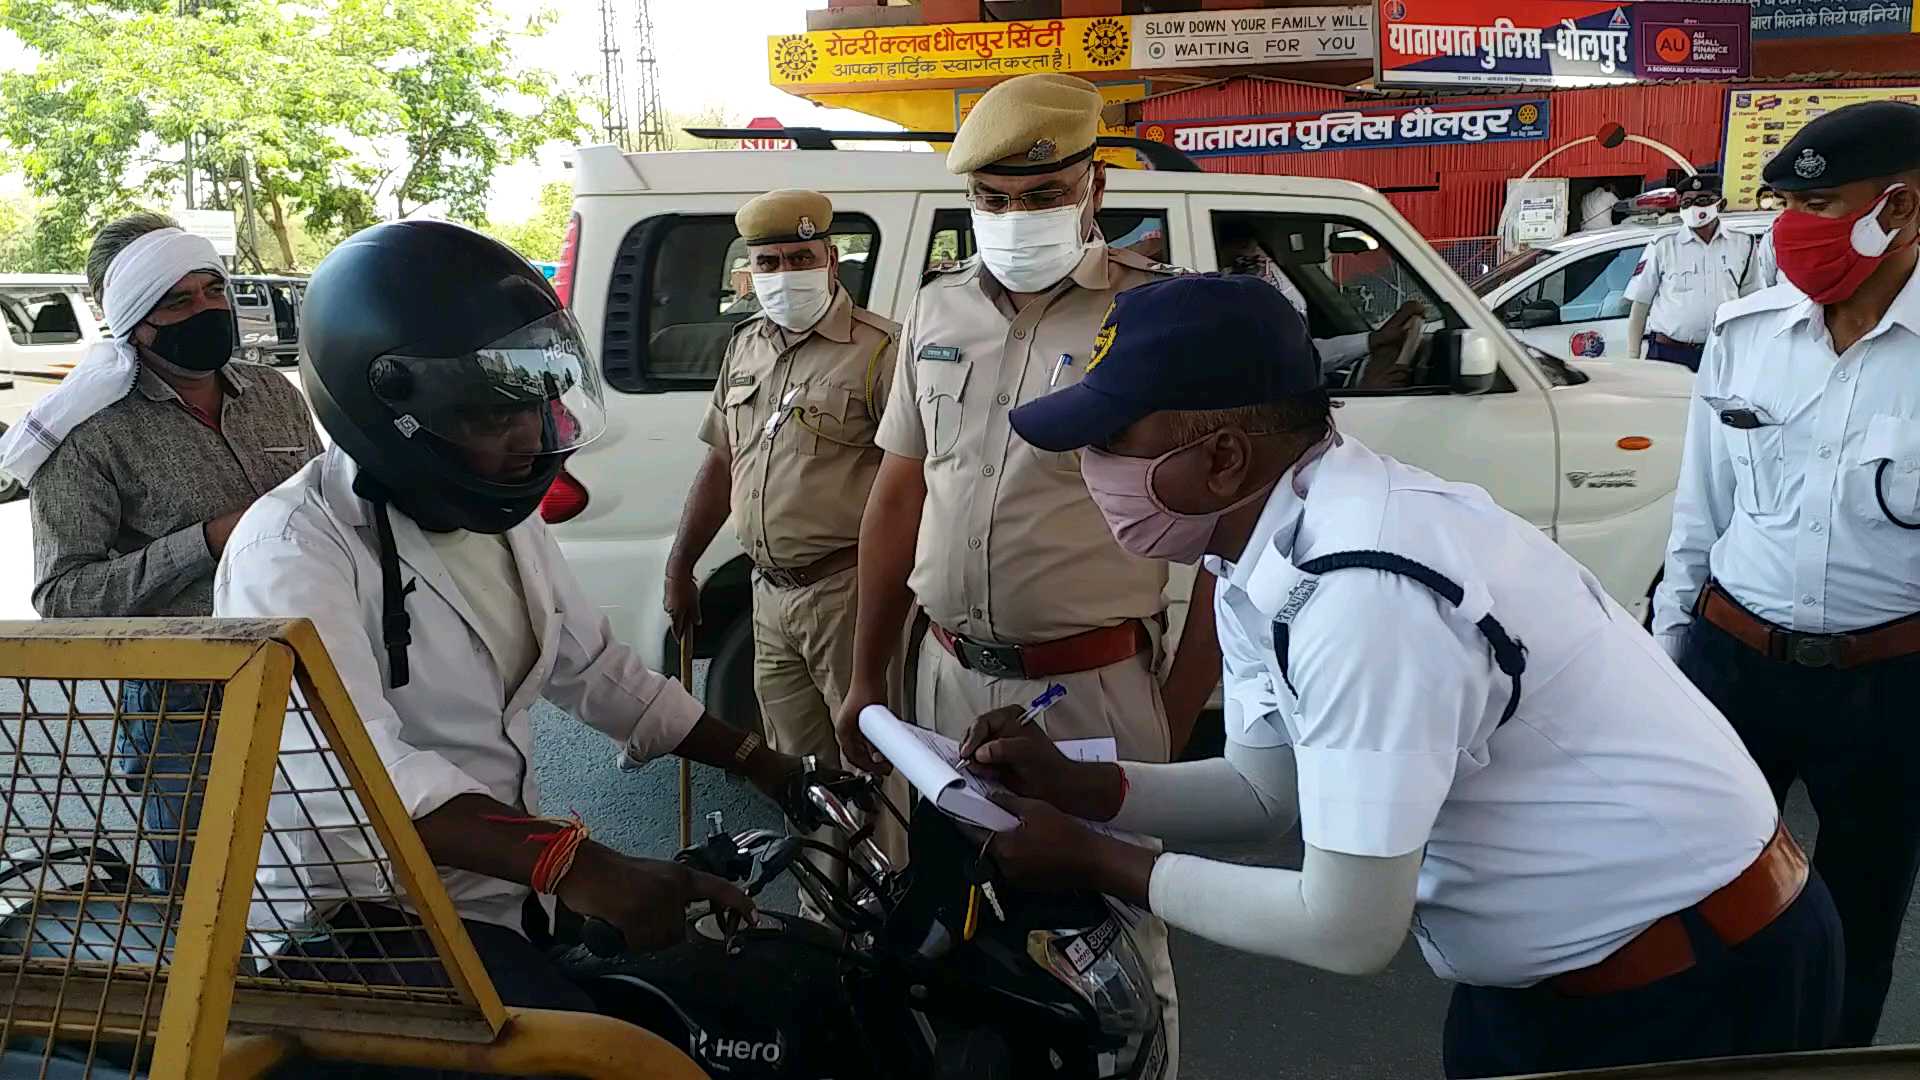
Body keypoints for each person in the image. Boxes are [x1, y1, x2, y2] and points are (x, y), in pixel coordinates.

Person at [963, 271, 1842, 1079]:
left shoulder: (1365, 593)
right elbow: (1268, 793)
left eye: (1112, 441)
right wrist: (1085, 789)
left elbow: (1346, 928)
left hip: (1683, 985)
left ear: (1225, 458)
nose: (1089, 470)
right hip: (1566, 978)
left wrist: (1096, 859)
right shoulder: (1272, 542)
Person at [214, 220, 821, 1014]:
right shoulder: (291, 554)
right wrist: (580, 865)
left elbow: (594, 668)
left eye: (537, 407)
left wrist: (767, 765)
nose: (528, 439)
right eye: (488, 415)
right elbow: (354, 779)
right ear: (385, 408)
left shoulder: (497, 517)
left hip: (500, 894)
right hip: (363, 927)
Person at [829, 72, 1205, 1071]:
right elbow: (897, 499)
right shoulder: (938, 311)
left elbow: (1224, 540)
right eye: (992, 201)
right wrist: (868, 680)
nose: (1016, 218)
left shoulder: (1162, 321)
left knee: (1113, 932)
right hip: (946, 673)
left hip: (1087, 685)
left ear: (1095, 192)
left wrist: (1178, 703)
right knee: (948, 919)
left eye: (1041, 196)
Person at [1654, 99, 1920, 1048]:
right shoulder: (1747, 332)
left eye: (1823, 205)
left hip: (1890, 689)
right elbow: (1701, 511)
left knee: (1858, 919)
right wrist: (1669, 663)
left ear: (1905, 206)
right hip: (1735, 665)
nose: (1796, 231)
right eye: (1787, 206)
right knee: (1697, 897)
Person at [0, 213, 322, 889]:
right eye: (177, 301)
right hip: (187, 710)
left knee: (339, 879)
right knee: (215, 893)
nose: (206, 309)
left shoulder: (273, 394)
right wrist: (205, 541)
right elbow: (62, 600)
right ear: (134, 320)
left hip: (319, 676)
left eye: (213, 290)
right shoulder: (86, 435)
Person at [665, 189, 898, 920]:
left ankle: (889, 919)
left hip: (848, 591)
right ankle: (827, 921)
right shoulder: (747, 345)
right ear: (750, 272)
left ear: (832, 260)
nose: (785, 272)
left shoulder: (881, 350)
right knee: (799, 773)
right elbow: (720, 464)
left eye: (801, 257)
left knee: (873, 767)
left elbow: (916, 487)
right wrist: (681, 564)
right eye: (769, 261)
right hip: (770, 599)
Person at [1215, 220, 1425, 388]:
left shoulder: (1260, 302)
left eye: (1257, 260)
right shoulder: (1218, 312)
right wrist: (1370, 388)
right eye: (1242, 263)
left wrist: (1373, 340)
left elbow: (1299, 354)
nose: (1259, 271)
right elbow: (1277, 366)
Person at [1624, 174, 1769, 371]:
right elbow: (1640, 305)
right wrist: (1633, 358)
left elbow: (1752, 302)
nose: (1694, 208)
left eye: (1702, 201)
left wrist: (1755, 349)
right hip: (1670, 353)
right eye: (1687, 202)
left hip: (1724, 351)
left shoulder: (1743, 243)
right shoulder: (1663, 245)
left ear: (1720, 204)